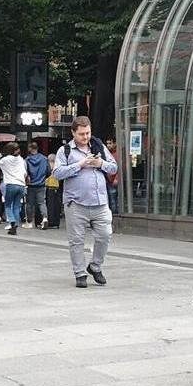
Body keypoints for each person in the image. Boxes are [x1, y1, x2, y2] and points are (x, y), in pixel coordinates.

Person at [53, 116, 119, 288]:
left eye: (88, 133)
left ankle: (95, 266)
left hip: (100, 202)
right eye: (82, 134)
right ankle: (80, 273)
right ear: (73, 133)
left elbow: (114, 167)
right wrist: (79, 165)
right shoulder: (65, 151)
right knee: (76, 240)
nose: (86, 137)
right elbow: (57, 173)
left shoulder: (98, 146)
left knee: (105, 235)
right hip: (75, 203)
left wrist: (100, 163)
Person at [0, 143, 27, 236]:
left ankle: (12, 222)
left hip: (10, 184)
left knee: (8, 205)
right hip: (21, 185)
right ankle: (16, 224)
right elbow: (25, 174)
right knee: (16, 206)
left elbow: (0, 165)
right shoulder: (21, 159)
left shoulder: (5, 160)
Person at [25, 142, 50, 229]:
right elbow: (48, 172)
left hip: (30, 185)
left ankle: (29, 222)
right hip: (41, 185)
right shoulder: (44, 159)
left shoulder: (27, 160)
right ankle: (45, 218)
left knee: (29, 204)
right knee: (42, 203)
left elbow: (25, 172)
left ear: (30, 149)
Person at [105, 138, 122, 216]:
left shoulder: (117, 154)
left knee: (113, 200)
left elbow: (120, 168)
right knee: (110, 199)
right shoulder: (108, 154)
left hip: (113, 180)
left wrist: (116, 178)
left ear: (115, 144)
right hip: (108, 179)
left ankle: (114, 216)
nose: (108, 145)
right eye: (107, 143)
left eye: (110, 143)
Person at [46, 153, 62, 228]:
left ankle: (51, 221)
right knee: (57, 205)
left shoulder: (48, 166)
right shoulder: (58, 166)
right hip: (57, 187)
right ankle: (56, 222)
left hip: (49, 187)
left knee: (50, 205)